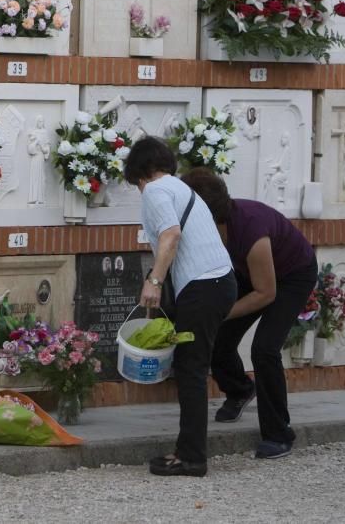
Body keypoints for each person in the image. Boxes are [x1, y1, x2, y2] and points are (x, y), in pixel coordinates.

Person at [181, 168, 317, 460]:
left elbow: (266, 293)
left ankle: (279, 434)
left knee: (265, 349)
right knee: (217, 337)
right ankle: (240, 389)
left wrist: (220, 312)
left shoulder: (252, 232)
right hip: (248, 272)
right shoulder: (213, 228)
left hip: (292, 276)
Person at [124, 137, 236, 478]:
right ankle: (187, 451)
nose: (138, 190)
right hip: (217, 284)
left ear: (141, 173)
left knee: (190, 370)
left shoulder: (156, 190)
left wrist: (153, 282)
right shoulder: (179, 188)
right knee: (191, 367)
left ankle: (192, 458)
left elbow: (171, 235)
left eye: (135, 183)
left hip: (204, 287)